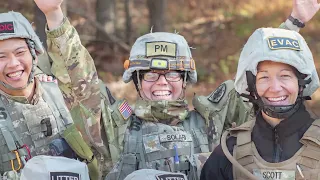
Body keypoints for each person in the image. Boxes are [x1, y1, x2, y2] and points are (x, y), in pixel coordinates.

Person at [34, 0, 319, 179]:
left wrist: (293, 23)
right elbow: (80, 83)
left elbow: (260, 76)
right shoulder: (112, 129)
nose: (161, 82)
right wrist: (55, 16)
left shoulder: (212, 121)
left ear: (184, 79)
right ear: (135, 79)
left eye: (171, 73)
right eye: (150, 74)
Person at [200, 26, 320, 179]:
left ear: (301, 83)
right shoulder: (229, 153)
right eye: (264, 77)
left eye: (285, 76)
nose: (275, 88)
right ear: (251, 86)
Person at [0, 11, 98, 179]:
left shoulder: (61, 93)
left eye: (20, 52)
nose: (13, 64)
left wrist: (54, 12)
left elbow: (80, 72)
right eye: (1, 57)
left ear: (34, 53)